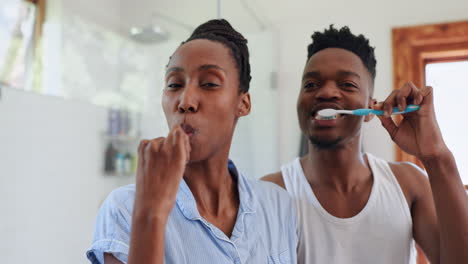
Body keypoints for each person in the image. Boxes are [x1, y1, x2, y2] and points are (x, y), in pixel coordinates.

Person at [87, 19, 297, 264]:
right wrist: (151, 214)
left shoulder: (277, 204)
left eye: (209, 83)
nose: (185, 101)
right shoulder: (125, 209)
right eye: (174, 85)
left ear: (243, 103)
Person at [262, 25, 468, 264]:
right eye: (311, 85)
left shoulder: (409, 184)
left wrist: (436, 156)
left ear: (371, 108)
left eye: (347, 84)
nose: (326, 92)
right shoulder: (271, 193)